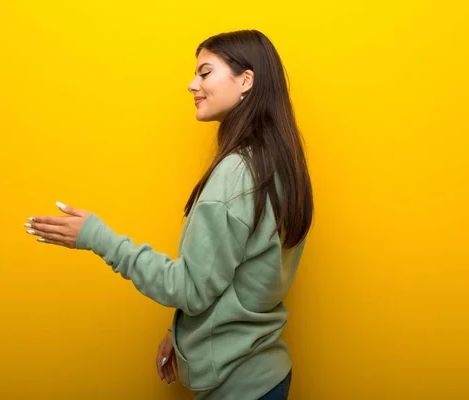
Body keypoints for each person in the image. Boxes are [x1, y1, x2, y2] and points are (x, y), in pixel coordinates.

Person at [23, 29, 313, 400]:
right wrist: (182, 336)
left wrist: (96, 237)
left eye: (205, 73)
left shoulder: (235, 174)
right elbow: (236, 280)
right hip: (268, 374)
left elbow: (189, 290)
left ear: (245, 80)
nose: (192, 84)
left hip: (238, 387)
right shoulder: (278, 166)